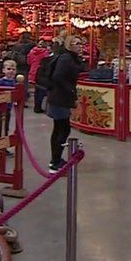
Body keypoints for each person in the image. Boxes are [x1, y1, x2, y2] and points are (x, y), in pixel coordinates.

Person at [47, 35, 84, 173]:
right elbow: (58, 77)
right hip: (59, 98)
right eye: (77, 43)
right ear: (70, 45)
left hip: (60, 97)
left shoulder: (70, 58)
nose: (80, 46)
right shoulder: (65, 59)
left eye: (81, 43)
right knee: (62, 129)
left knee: (60, 128)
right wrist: (71, 93)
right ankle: (55, 161)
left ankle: (56, 159)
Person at [0, 59, 17, 140]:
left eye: (13, 69)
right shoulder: (0, 82)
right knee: (0, 128)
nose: (11, 71)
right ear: (3, 70)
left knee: (6, 127)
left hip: (8, 108)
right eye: (9, 69)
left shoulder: (15, 82)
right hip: (0, 108)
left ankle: (3, 147)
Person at [28, 39, 51, 113]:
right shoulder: (45, 53)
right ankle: (38, 107)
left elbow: (28, 61)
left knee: (37, 90)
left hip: (33, 71)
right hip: (41, 72)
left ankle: (36, 106)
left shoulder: (31, 51)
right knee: (41, 90)